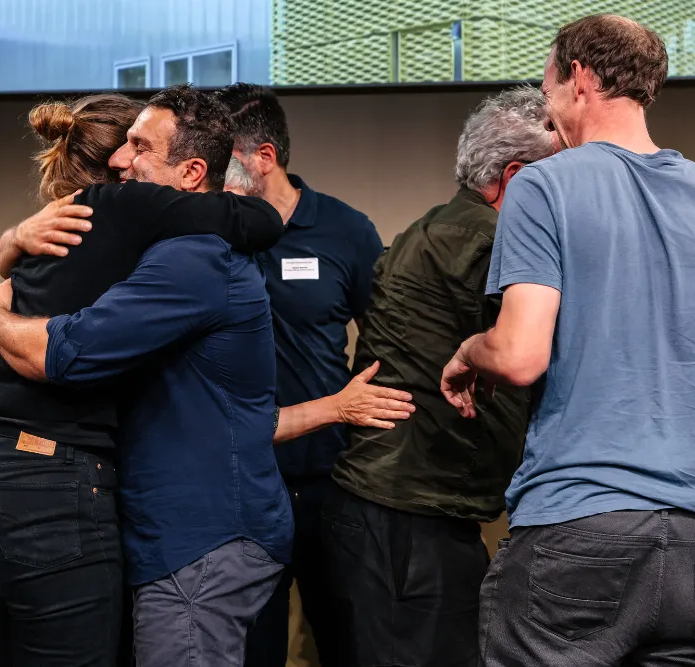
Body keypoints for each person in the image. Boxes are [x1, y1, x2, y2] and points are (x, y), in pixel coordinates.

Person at [0, 92, 287, 667]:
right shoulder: (128, 213)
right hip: (52, 484)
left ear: (190, 171)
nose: (125, 159)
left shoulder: (76, 225)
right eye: (125, 145)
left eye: (138, 147)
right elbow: (260, 217)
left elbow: (56, 347)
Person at [441, 15, 695, 665]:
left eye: (547, 80)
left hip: (581, 527)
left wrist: (470, 351)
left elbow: (519, 356)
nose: (545, 96)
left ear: (578, 78)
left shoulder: (544, 184)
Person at [323, 87, 557, 667]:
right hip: (410, 517)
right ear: (516, 177)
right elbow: (535, 353)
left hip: (405, 509)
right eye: (561, 176)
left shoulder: (438, 226)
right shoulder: (486, 241)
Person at [215, 82, 388, 667]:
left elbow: (385, 342)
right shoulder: (211, 230)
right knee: (251, 648)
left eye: (222, 157)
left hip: (329, 478)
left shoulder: (346, 230)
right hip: (237, 480)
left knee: (345, 639)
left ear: (263, 157)